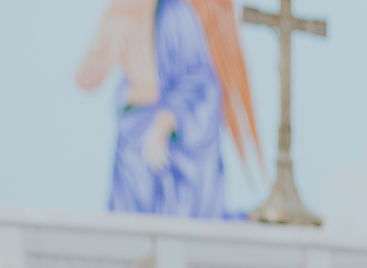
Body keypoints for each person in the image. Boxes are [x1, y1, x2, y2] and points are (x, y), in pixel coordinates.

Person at [76, 0, 262, 218]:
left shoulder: (177, 15)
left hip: (173, 138)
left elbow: (198, 81)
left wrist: (163, 125)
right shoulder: (117, 16)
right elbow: (85, 79)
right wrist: (103, 48)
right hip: (132, 134)